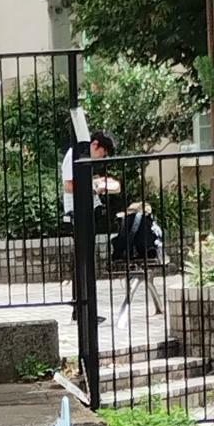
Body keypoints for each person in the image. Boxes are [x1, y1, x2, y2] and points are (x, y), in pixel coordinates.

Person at [61, 129, 120, 321]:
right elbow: (69, 185)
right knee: (82, 262)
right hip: (77, 213)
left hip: (86, 211)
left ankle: (83, 308)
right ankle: (81, 308)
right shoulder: (75, 155)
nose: (100, 158)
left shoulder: (81, 155)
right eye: (102, 153)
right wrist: (95, 186)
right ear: (95, 145)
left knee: (85, 262)